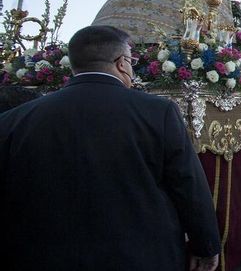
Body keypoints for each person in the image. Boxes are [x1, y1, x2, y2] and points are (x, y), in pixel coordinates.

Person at [0, 25, 220, 270]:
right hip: (140, 256)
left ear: (74, 64)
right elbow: (188, 185)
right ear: (122, 63)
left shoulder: (14, 120)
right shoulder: (157, 112)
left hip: (42, 257)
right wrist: (206, 246)